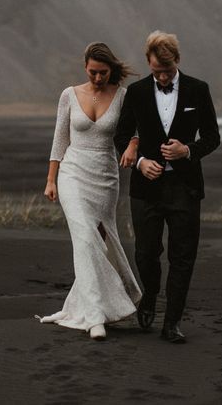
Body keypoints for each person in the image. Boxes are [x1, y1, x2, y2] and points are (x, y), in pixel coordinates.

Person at [114, 31, 220, 344]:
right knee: (146, 253)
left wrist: (187, 151)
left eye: (168, 71)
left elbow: (212, 138)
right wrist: (139, 160)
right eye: (157, 71)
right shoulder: (135, 92)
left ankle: (171, 322)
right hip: (145, 188)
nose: (162, 76)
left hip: (185, 187)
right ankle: (149, 296)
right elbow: (121, 137)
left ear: (177, 62)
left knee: (182, 256)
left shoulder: (198, 90)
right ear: (148, 63)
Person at [39, 42, 142, 340]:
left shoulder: (123, 96)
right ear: (85, 67)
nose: (98, 78)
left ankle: (91, 302)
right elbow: (60, 140)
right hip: (72, 173)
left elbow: (132, 132)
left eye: (104, 73)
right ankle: (95, 316)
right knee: (84, 238)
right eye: (93, 72)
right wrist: (50, 180)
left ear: (112, 70)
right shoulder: (69, 95)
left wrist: (134, 146)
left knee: (100, 240)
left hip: (105, 177)